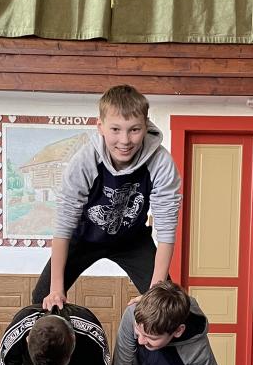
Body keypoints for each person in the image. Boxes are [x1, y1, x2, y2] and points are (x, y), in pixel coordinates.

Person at [33, 84, 181, 309]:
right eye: (115, 129)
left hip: (132, 240)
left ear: (146, 125)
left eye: (134, 129)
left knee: (164, 305)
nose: (125, 140)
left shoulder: (160, 162)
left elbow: (166, 229)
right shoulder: (85, 161)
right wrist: (55, 290)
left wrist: (154, 293)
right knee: (42, 298)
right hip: (84, 238)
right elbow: (63, 225)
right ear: (100, 127)